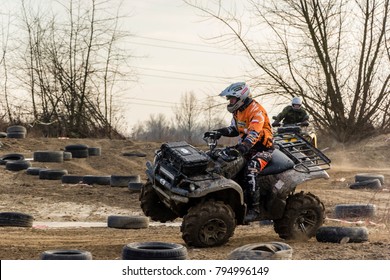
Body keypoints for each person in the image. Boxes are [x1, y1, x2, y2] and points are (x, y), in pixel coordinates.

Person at [204, 82, 274, 223]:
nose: (230, 102)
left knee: (251, 169)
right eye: (229, 99)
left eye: (232, 99)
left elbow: (254, 133)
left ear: (241, 97)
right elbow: (234, 129)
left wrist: (244, 147)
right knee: (221, 158)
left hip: (263, 149)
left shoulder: (256, 111)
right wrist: (218, 132)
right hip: (246, 147)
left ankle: (255, 209)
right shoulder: (238, 111)